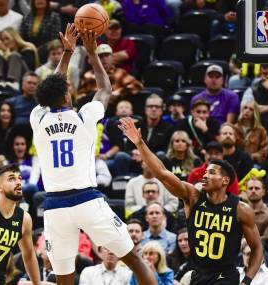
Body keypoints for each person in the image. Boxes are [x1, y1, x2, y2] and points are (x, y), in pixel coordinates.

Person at [30, 25, 157, 285]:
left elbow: (50, 89)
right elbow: (105, 88)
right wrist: (91, 53)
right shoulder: (83, 117)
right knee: (133, 258)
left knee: (63, 277)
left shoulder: (38, 118)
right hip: (87, 200)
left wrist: (67, 54)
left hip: (54, 207)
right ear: (67, 95)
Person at [119, 116, 264, 284]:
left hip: (225, 276)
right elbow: (162, 173)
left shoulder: (241, 209)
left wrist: (247, 281)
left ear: (225, 181)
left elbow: (257, 247)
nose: (205, 175)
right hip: (198, 274)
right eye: (205, 172)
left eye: (211, 173)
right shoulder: (193, 197)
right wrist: (140, 143)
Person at [235, 100, 268, 165]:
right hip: (237, 162)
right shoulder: (234, 128)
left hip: (253, 162)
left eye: (251, 109)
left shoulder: (260, 130)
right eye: (245, 108)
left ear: (255, 113)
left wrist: (253, 156)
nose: (247, 111)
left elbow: (265, 149)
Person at [243, 178, 268, 243]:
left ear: (263, 192)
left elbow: (266, 237)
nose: (253, 191)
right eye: (250, 188)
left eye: (257, 188)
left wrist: (246, 242)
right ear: (246, 191)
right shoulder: (237, 211)